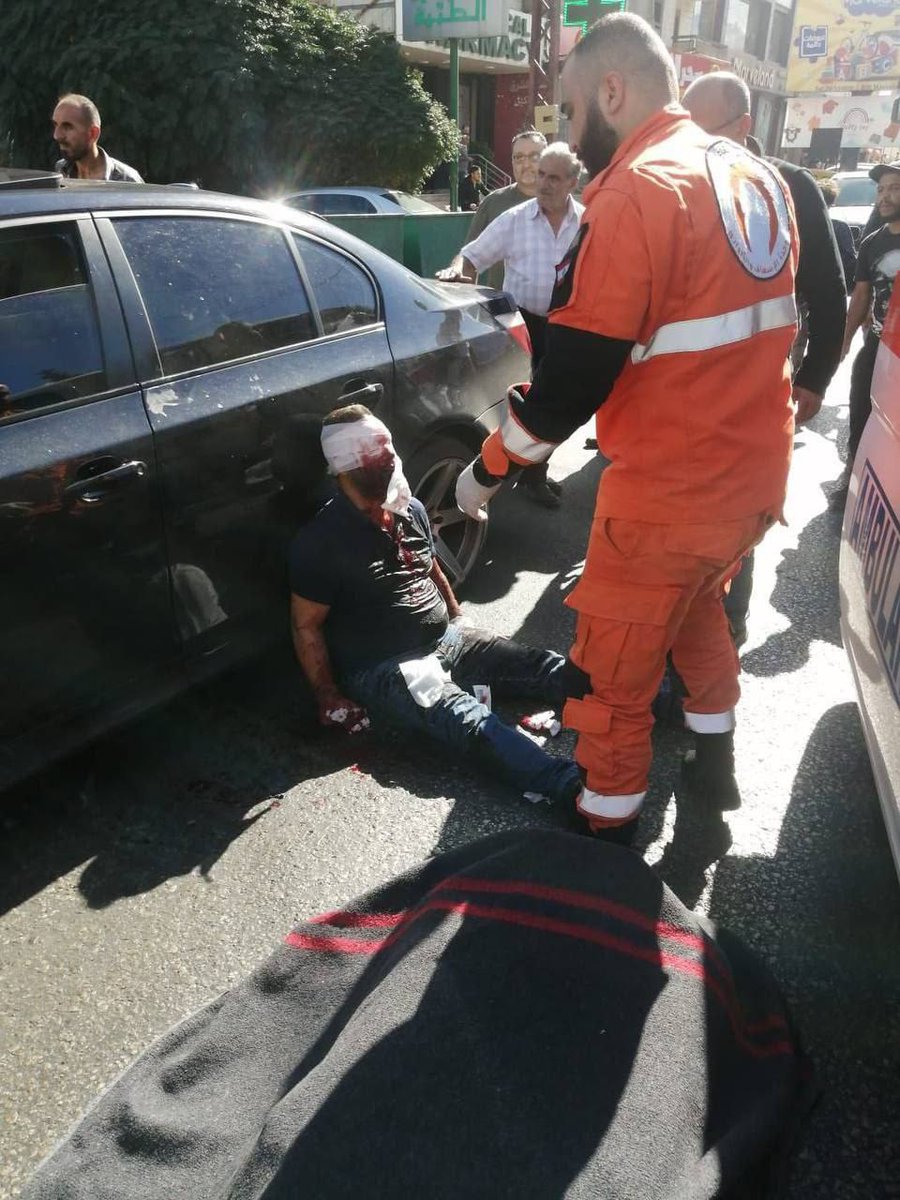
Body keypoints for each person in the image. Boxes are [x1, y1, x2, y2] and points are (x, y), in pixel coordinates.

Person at [455, 13, 799, 841]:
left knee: (609, 676)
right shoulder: (752, 175)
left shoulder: (638, 189)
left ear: (612, 90)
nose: (566, 134)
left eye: (569, 112)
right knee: (698, 621)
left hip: (669, 497)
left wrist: (482, 476)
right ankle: (714, 771)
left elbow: (564, 393)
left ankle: (602, 823)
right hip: (750, 483)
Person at [288, 404, 584, 807]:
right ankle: (570, 789)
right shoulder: (321, 541)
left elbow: (431, 569)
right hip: (388, 665)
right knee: (469, 721)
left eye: (386, 457)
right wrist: (327, 695)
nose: (385, 467)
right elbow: (306, 625)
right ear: (342, 472)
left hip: (447, 637)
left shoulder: (409, 508)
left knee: (539, 664)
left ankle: (663, 697)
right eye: (370, 463)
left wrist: (458, 619)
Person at [682, 72, 846, 646]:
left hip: (760, 386)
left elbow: (830, 291)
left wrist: (815, 378)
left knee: (736, 515)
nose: (691, 142)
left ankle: (726, 631)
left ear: (744, 127)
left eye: (705, 129)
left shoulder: (789, 185)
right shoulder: (683, 180)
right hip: (687, 390)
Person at [438, 144, 585, 510]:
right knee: (526, 402)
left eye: (554, 177)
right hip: (522, 324)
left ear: (572, 181)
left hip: (568, 326)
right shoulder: (516, 219)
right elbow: (471, 255)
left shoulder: (587, 223)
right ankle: (503, 468)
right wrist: (459, 273)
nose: (544, 183)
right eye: (541, 175)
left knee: (558, 405)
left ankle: (535, 472)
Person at [840, 163, 900, 472]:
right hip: (877, 346)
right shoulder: (872, 242)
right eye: (881, 190)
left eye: (894, 188)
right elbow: (861, 296)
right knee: (862, 410)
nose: (885, 197)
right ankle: (855, 475)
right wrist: (845, 340)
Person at [443, 130, 548, 292]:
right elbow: (470, 257)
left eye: (534, 156)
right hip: (503, 309)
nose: (526, 164)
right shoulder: (494, 203)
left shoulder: (564, 206)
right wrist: (456, 270)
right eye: (519, 157)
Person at [52, 94, 143, 182]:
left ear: (93, 134)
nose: (57, 135)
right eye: (55, 125)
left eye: (67, 127)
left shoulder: (127, 181)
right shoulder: (62, 171)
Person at [819, 177, 857, 295]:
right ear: (831, 203)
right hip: (832, 286)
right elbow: (849, 259)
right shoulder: (840, 227)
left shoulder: (799, 225)